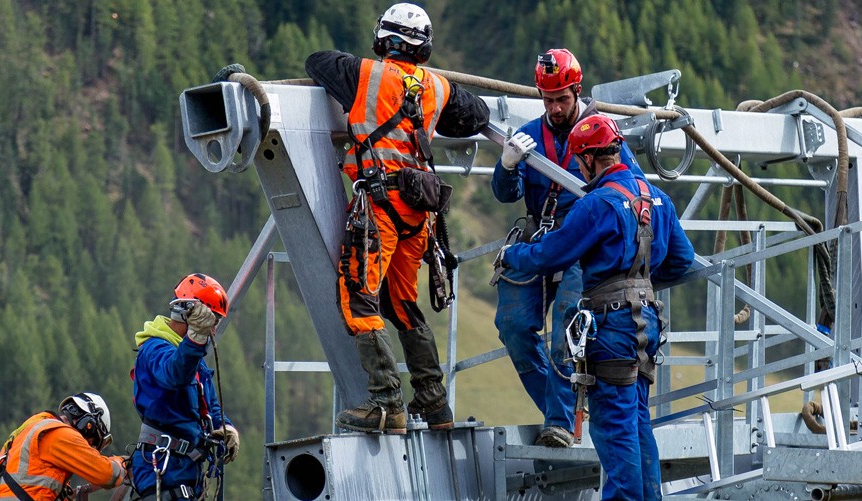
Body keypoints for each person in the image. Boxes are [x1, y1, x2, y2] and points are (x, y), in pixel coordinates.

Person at [296, 2, 490, 434]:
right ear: (424, 49)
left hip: (379, 212)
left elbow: (317, 62)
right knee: (403, 304)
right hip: (417, 216)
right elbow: (477, 114)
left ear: (383, 39)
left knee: (358, 297)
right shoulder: (438, 88)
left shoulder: (362, 74)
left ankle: (387, 404)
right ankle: (435, 404)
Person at [501, 115, 695, 500]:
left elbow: (549, 254)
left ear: (588, 159)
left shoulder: (598, 204)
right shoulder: (658, 198)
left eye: (579, 161)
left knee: (613, 427)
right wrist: (640, 277)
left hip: (613, 327)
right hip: (646, 321)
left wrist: (512, 255)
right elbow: (682, 260)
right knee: (638, 423)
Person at [491, 48, 642, 448]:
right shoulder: (530, 137)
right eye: (548, 100)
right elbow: (508, 194)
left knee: (565, 330)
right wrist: (507, 166)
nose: (555, 108)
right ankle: (555, 409)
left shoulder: (603, 136)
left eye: (562, 99)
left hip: (583, 244)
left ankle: (558, 422)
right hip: (541, 237)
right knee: (512, 327)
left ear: (577, 92)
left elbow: (632, 185)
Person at [128, 273, 241, 500]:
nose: (214, 328)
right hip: (162, 465)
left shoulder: (195, 362)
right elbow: (175, 374)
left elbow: (210, 407)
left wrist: (226, 428)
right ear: (190, 314)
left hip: (186, 468)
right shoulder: (154, 350)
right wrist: (196, 338)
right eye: (213, 319)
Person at [0, 392, 128, 501]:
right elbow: (107, 475)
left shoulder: (32, 429)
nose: (87, 446)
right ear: (88, 425)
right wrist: (123, 463)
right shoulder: (61, 435)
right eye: (92, 441)